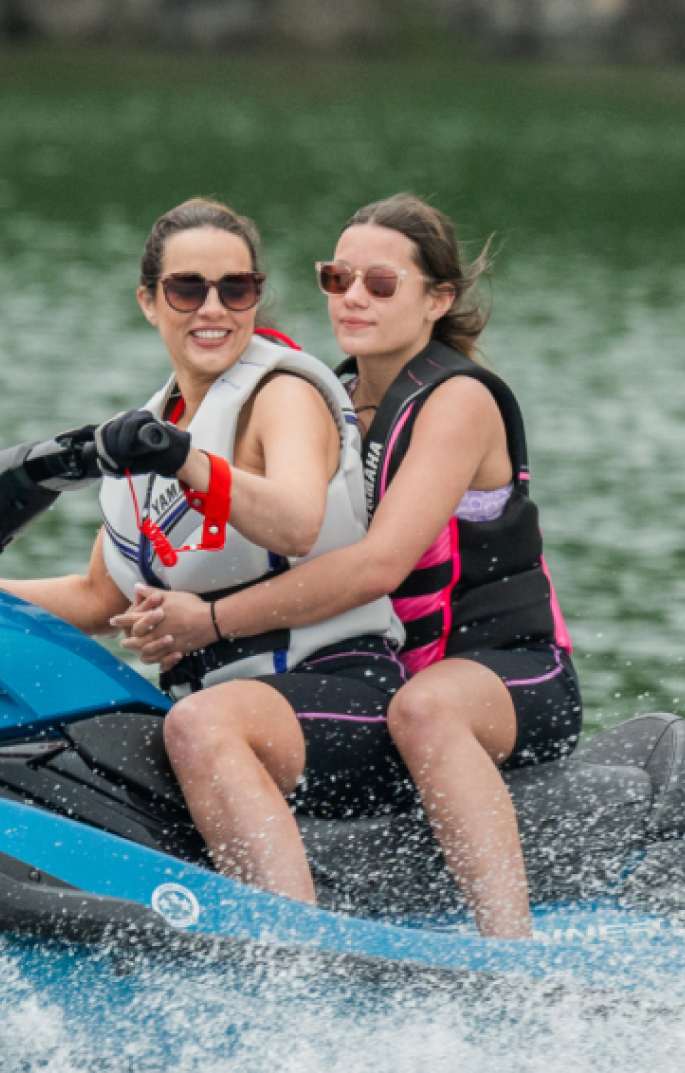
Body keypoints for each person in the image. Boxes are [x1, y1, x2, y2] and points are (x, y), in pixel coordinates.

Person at [117, 194, 578, 939]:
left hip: (508, 672)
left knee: (426, 709)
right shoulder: (329, 397)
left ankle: (509, 950)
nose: (353, 298)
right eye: (337, 279)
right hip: (391, 679)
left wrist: (208, 622)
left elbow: (376, 568)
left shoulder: (456, 400)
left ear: (439, 298)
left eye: (380, 283)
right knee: (395, 703)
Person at [0, 198, 409, 901]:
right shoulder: (153, 426)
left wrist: (184, 460)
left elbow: (297, 521)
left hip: (339, 689)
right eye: (188, 288)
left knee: (199, 722)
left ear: (256, 296)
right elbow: (97, 598)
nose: (213, 308)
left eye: (234, 289)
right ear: (150, 302)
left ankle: (292, 957)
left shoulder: (279, 395)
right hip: (220, 711)